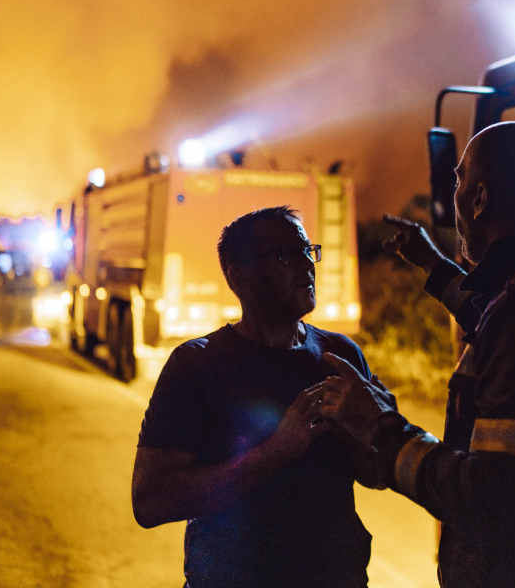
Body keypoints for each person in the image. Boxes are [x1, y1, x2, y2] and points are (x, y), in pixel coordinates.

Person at [317, 122, 515, 588]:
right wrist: (435, 267)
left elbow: (495, 499)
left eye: (459, 181)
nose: (454, 196)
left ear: (480, 198)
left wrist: (384, 433)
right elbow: (496, 327)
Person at [132, 206, 381, 588]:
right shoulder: (197, 366)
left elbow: (376, 474)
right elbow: (150, 501)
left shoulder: (341, 356)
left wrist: (370, 429)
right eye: (286, 255)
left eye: (307, 250)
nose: (306, 264)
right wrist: (273, 454)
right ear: (240, 277)